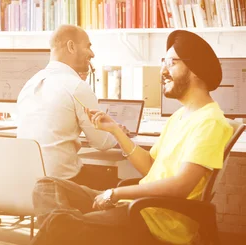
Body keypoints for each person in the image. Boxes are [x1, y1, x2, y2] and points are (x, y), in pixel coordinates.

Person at [29, 30, 233, 245]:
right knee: (47, 185)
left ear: (196, 70)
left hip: (155, 221)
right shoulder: (180, 116)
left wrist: (115, 193)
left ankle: (67, 227)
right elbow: (150, 168)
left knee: (60, 226)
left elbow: (181, 186)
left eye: (171, 63)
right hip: (137, 206)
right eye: (163, 62)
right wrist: (115, 130)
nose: (163, 70)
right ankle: (68, 226)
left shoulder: (210, 121)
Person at [16, 25, 118, 190]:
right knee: (121, 184)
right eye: (88, 46)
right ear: (71, 46)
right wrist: (118, 131)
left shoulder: (30, 83)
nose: (92, 54)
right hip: (61, 187)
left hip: (26, 185)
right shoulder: (76, 86)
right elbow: (103, 143)